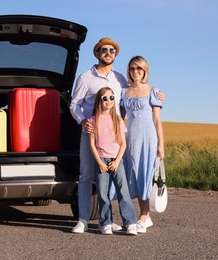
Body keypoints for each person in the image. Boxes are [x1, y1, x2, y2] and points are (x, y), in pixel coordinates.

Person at [69, 38, 164, 234]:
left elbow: (132, 98)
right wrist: (81, 120)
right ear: (97, 53)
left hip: (115, 139)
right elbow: (74, 104)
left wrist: (159, 96)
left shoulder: (120, 79)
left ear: (115, 54)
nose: (108, 53)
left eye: (112, 50)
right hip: (91, 133)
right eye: (104, 50)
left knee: (119, 180)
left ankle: (117, 220)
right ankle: (84, 219)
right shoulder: (85, 77)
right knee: (87, 175)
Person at [121, 56, 165, 233]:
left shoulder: (153, 91)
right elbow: (120, 118)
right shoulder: (124, 92)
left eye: (139, 68)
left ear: (145, 70)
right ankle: (145, 217)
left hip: (148, 137)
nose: (135, 72)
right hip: (130, 138)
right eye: (132, 68)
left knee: (145, 175)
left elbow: (157, 120)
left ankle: (143, 216)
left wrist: (161, 144)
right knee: (135, 176)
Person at [89, 87, 138, 235]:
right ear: (99, 100)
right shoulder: (93, 120)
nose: (109, 101)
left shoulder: (117, 119)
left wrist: (117, 161)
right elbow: (92, 144)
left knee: (123, 191)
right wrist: (99, 162)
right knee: (103, 193)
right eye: (105, 98)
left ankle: (130, 222)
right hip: (101, 161)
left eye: (111, 98)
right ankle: (106, 223)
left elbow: (123, 143)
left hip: (117, 161)